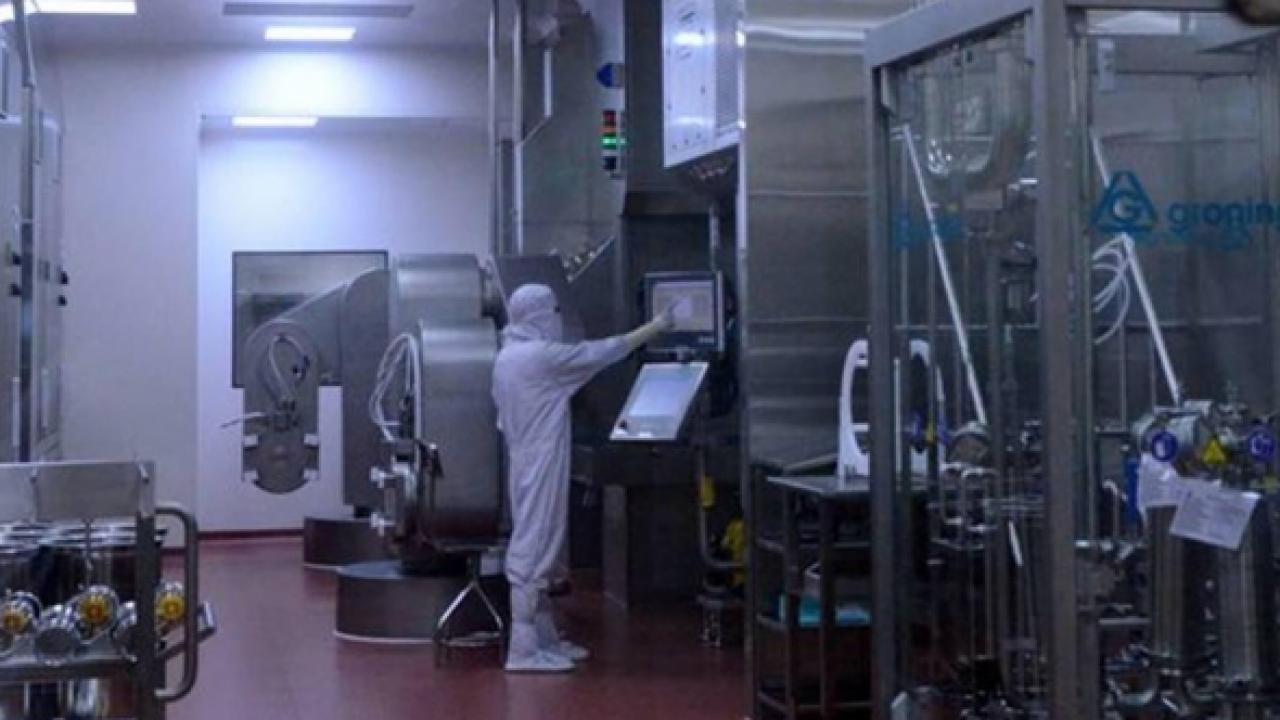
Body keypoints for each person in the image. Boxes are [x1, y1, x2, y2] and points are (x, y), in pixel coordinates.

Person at [493, 283, 676, 673]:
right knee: (534, 547)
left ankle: (544, 638)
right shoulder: (539, 357)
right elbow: (602, 352)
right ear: (540, 314)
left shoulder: (507, 356)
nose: (556, 318)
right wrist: (657, 326)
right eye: (553, 311)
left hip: (524, 458)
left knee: (540, 541)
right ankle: (522, 650)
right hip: (541, 460)